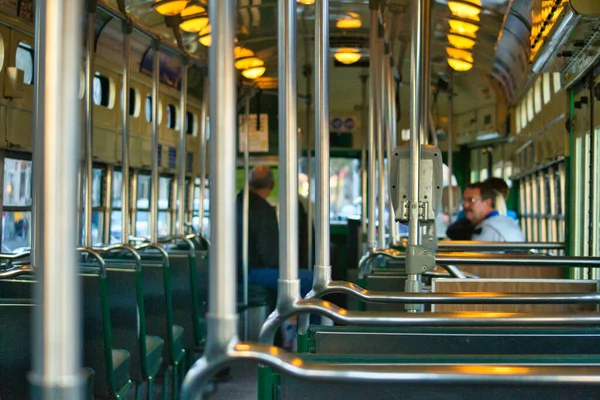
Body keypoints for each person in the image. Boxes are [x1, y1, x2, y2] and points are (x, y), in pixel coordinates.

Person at [236, 165, 313, 297]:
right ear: (272, 185)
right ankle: (301, 317)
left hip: (235, 269)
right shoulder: (264, 210)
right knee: (310, 279)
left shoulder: (238, 202)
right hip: (251, 272)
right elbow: (269, 255)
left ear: (249, 183)